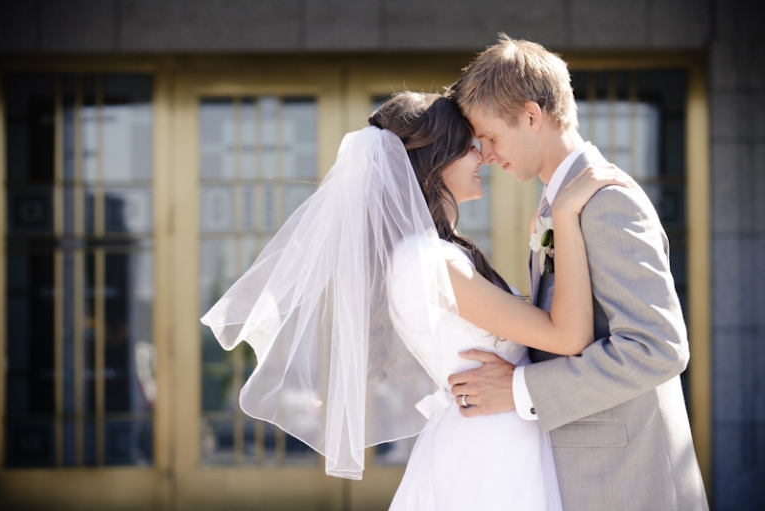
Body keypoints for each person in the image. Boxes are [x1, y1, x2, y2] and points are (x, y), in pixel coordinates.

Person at [200, 91, 628, 510]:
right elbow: (568, 337)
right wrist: (566, 216)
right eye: (468, 148)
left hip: (490, 438)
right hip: (491, 452)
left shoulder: (424, 257)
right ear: (434, 164)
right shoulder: (434, 264)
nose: (483, 157)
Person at [448, 35, 709, 510]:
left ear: (531, 117)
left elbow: (657, 349)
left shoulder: (607, 202)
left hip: (628, 481)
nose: (485, 154)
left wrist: (518, 389)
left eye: (491, 138)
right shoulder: (560, 204)